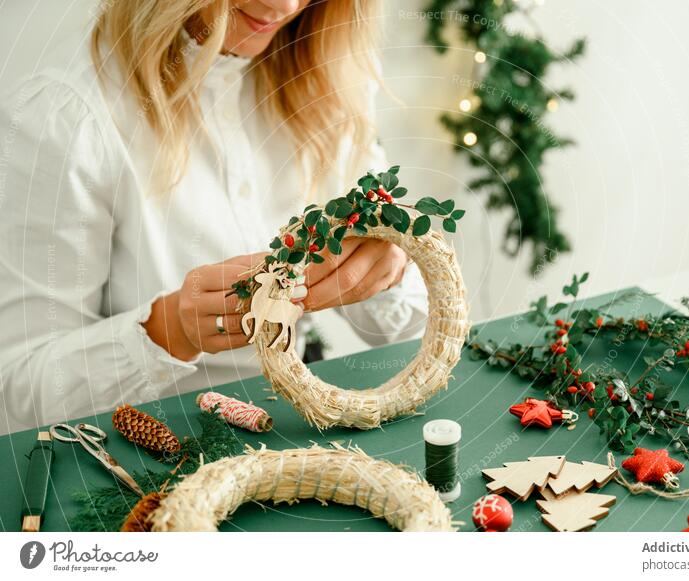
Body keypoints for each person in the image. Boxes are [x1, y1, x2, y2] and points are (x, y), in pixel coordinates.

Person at [0, 0, 427, 434]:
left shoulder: (331, 66)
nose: (283, 5)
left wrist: (389, 267)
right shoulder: (66, 118)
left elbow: (406, 326)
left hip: (299, 428)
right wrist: (167, 331)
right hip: (153, 456)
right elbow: (19, 390)